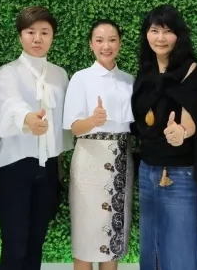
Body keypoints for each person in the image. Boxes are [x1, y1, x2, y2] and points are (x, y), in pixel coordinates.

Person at [0, 6, 74, 270]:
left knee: (37, 240)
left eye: (44, 32)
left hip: (48, 167)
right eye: (30, 32)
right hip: (13, 165)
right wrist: (28, 119)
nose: (37, 38)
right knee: (15, 243)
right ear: (20, 36)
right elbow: (10, 104)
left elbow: (68, 117)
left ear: (52, 37)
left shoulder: (60, 74)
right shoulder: (8, 72)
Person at [130, 4, 197, 270]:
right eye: (154, 31)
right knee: (151, 249)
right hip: (148, 168)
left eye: (167, 31)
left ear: (179, 35)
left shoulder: (190, 69)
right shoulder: (146, 70)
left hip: (180, 172)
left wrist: (181, 132)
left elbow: (191, 115)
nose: (160, 38)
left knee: (179, 252)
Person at [63, 19, 135, 270]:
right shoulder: (81, 78)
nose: (107, 46)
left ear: (120, 44)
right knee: (85, 236)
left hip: (121, 160)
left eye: (112, 40)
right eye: (100, 40)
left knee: (112, 240)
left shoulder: (129, 80)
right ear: (91, 44)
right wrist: (93, 120)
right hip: (89, 161)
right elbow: (74, 128)